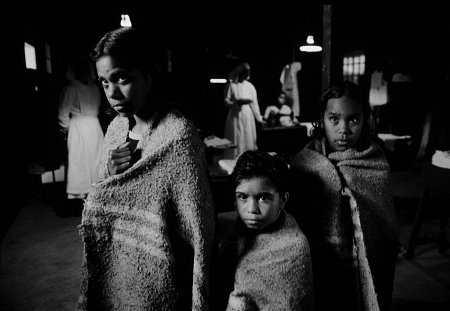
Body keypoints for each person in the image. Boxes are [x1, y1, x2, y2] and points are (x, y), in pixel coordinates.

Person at [78, 27, 215, 310]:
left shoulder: (178, 134)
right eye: (104, 82)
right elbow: (102, 196)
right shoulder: (116, 128)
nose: (112, 93)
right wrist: (109, 172)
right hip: (119, 258)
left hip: (161, 266)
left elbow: (197, 224)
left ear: (150, 75)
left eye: (122, 78)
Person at [288, 81, 399, 311]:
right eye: (334, 119)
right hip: (323, 263)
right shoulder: (306, 163)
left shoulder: (375, 163)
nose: (344, 129)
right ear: (322, 118)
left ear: (365, 119)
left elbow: (385, 227)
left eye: (353, 119)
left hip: (362, 263)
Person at [212, 150, 313, 310]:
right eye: (243, 197)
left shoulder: (293, 248)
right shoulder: (232, 230)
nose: (252, 209)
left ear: (283, 200)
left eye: (263, 198)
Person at [58, 56, 104, 214]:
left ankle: (92, 197)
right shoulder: (83, 88)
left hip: (86, 126)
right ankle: (86, 198)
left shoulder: (84, 88)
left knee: (90, 161)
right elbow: (63, 114)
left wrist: (65, 127)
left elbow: (63, 114)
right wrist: (66, 128)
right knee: (84, 161)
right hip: (87, 127)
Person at [223, 62, 265, 159]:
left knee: (247, 134)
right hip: (235, 115)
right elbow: (226, 102)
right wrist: (236, 103)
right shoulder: (232, 86)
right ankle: (235, 156)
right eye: (245, 72)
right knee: (236, 135)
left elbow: (254, 104)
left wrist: (259, 119)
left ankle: (247, 156)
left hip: (247, 114)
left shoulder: (250, 86)